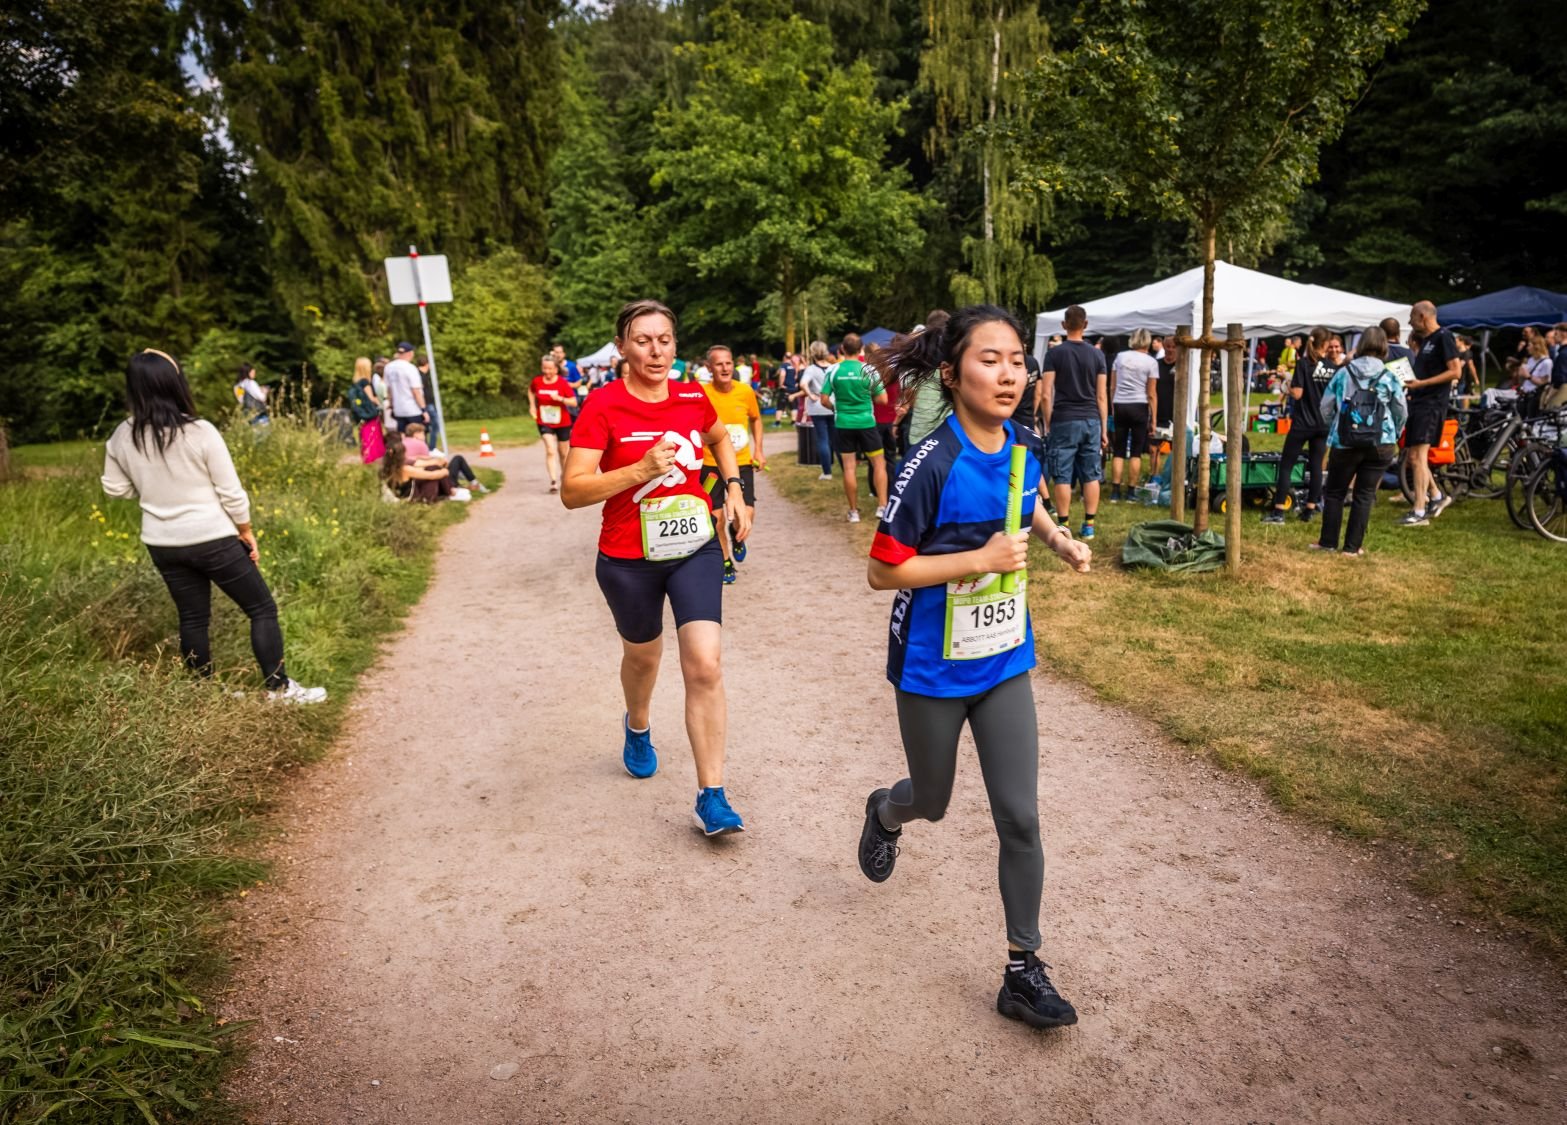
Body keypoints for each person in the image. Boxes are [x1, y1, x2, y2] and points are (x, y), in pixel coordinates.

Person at [855, 304, 1092, 1031]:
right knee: (932, 800)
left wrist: (1056, 540)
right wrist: (977, 559)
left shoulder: (1022, 440)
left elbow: (1022, 504)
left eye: (1017, 359)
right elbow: (882, 571)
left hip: (1003, 657)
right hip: (931, 667)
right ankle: (885, 811)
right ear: (953, 374)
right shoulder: (930, 463)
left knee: (1020, 816)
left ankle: (1022, 968)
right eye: (990, 360)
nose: (1009, 374)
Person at [561, 299, 750, 837]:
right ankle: (638, 725)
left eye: (664, 339)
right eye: (642, 340)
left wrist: (734, 489)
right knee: (643, 658)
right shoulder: (603, 405)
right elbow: (573, 491)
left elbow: (719, 438)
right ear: (622, 347)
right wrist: (639, 470)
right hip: (627, 558)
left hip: (695, 548)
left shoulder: (692, 395)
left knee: (705, 664)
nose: (655, 350)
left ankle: (712, 796)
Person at [102, 349, 325, 703]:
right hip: (212, 538)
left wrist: (149, 484)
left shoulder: (122, 435)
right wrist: (245, 530)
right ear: (173, 383)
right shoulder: (199, 431)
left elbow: (115, 489)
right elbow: (231, 492)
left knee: (192, 618)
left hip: (162, 543)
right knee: (261, 609)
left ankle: (201, 695)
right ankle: (279, 689)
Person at [1316, 326, 1408, 556]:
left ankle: (1328, 542)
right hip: (1381, 442)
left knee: (1335, 492)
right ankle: (1352, 547)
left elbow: (1325, 406)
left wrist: (1335, 424)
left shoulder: (1343, 373)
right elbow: (1401, 411)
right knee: (1365, 494)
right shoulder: (1389, 376)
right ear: (1384, 347)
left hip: (1345, 440)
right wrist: (1394, 432)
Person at [1039, 305, 1108, 539]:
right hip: (1091, 419)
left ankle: (1064, 524)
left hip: (1064, 419)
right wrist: (1104, 428)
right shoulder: (1097, 355)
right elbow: (1101, 396)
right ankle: (1089, 525)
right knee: (1091, 473)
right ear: (1085, 325)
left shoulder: (1054, 354)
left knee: (1062, 474)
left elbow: (1046, 393)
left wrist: (1048, 422)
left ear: (1063, 325)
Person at [699, 345, 765, 584]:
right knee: (715, 517)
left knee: (746, 513)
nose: (725, 368)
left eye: (728, 363)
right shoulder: (701, 393)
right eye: (719, 364)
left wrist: (759, 450)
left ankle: (736, 534)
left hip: (741, 462)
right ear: (709, 368)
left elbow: (756, 419)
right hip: (709, 464)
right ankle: (725, 561)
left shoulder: (745, 391)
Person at [1262, 326, 1334, 525]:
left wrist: (1285, 383)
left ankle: (1278, 511)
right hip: (1323, 423)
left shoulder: (1304, 364)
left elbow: (1297, 393)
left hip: (1303, 422)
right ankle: (1310, 509)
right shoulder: (1332, 366)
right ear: (1326, 344)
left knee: (1287, 465)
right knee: (1317, 466)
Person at [1400, 301, 1462, 527]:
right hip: (1419, 402)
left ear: (1422, 317)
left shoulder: (1444, 337)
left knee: (1418, 457)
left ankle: (1419, 511)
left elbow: (1455, 371)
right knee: (1413, 457)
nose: (1409, 322)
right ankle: (1436, 496)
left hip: (1432, 404)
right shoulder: (1426, 341)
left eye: (1412, 317)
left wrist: (1422, 384)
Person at [820, 332, 889, 523]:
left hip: (843, 423)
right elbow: (883, 399)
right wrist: (868, 397)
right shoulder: (869, 370)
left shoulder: (833, 370)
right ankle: (882, 507)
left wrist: (836, 408)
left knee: (849, 468)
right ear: (861, 350)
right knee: (879, 464)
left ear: (842, 349)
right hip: (867, 423)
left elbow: (823, 399)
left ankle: (853, 512)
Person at [1108, 329, 1159, 502]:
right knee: (1136, 451)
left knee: (1119, 449)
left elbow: (1112, 385)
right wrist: (1154, 418)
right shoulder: (1151, 362)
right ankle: (1131, 491)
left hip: (1120, 404)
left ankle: (1115, 490)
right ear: (1148, 341)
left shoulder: (1120, 357)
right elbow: (1151, 393)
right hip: (1139, 405)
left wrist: (1113, 404)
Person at [530, 355, 576, 493]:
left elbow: (574, 402)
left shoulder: (562, 383)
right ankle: (553, 481)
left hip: (562, 422)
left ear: (556, 369)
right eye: (544, 368)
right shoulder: (537, 381)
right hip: (544, 421)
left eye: (550, 369)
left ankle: (564, 478)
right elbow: (531, 391)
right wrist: (532, 406)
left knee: (563, 453)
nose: (547, 371)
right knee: (550, 450)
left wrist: (560, 399)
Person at [403, 422, 486, 494]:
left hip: (413, 481)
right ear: (416, 434)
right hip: (433, 478)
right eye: (423, 433)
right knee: (458, 459)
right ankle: (474, 483)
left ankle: (462, 484)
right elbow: (430, 462)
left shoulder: (402, 443)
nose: (424, 436)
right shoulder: (420, 444)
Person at [380, 430, 461, 502]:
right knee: (434, 469)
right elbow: (431, 475)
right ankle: (450, 491)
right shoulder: (405, 469)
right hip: (415, 499)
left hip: (401, 495)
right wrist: (445, 471)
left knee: (432, 468)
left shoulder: (384, 469)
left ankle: (449, 491)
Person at [800, 340, 837, 480]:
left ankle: (827, 472)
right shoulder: (834, 367)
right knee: (836, 439)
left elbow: (803, 383)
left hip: (817, 406)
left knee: (823, 440)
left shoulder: (810, 369)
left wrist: (810, 395)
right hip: (832, 405)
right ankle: (847, 468)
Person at [347, 356, 385, 465]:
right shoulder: (365, 382)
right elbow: (371, 399)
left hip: (363, 415)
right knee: (374, 435)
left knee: (365, 435)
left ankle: (367, 457)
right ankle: (375, 457)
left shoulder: (356, 382)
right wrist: (382, 403)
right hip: (371, 415)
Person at [383, 342, 427, 433]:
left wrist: (391, 405)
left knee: (403, 436)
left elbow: (389, 390)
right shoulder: (410, 368)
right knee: (417, 436)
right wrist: (423, 410)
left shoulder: (388, 367)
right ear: (410, 353)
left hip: (398, 410)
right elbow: (416, 391)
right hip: (413, 409)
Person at [415, 353, 442, 449]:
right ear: (427, 364)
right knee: (435, 425)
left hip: (427, 403)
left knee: (428, 427)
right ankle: (431, 447)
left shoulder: (423, 375)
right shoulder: (420, 376)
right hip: (426, 404)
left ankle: (428, 446)